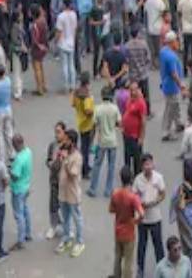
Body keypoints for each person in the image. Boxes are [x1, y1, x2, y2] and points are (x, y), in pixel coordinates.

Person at [135, 152, 168, 276]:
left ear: (153, 164)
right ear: (142, 166)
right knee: (142, 246)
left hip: (155, 217)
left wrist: (154, 202)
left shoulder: (158, 178)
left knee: (158, 246)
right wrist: (140, 205)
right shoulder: (138, 179)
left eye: (150, 163)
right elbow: (135, 196)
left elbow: (163, 193)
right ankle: (140, 270)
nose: (148, 166)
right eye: (145, 164)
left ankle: (163, 270)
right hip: (143, 218)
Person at [109, 165, 144, 278]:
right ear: (132, 179)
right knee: (128, 260)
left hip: (118, 229)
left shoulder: (115, 193)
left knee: (118, 257)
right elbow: (142, 213)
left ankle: (116, 275)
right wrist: (136, 221)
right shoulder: (133, 197)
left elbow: (111, 209)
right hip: (129, 231)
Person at [56, 128, 85, 258]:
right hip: (62, 191)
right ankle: (66, 238)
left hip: (72, 193)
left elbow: (73, 174)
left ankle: (80, 242)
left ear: (72, 142)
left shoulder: (77, 157)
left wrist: (66, 160)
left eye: (67, 139)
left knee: (76, 217)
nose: (64, 141)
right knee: (65, 217)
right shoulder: (64, 152)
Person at [91, 85, 123, 199]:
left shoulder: (98, 109)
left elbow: (94, 125)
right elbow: (119, 123)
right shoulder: (115, 108)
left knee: (97, 164)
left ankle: (93, 188)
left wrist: (92, 141)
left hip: (101, 141)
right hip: (112, 141)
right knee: (111, 166)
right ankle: (108, 190)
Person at [160, 31, 186, 140]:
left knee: (175, 105)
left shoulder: (163, 52)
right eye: (176, 41)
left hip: (167, 84)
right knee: (170, 108)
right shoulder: (171, 57)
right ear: (172, 42)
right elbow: (174, 73)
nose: (178, 43)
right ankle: (166, 131)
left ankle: (179, 123)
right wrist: (181, 85)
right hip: (171, 85)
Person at [10, 134, 33, 250]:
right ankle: (28, 233)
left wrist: (9, 169)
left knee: (19, 215)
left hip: (18, 189)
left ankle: (21, 240)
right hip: (26, 186)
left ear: (16, 144)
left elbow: (15, 176)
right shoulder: (28, 152)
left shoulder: (19, 159)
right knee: (25, 210)